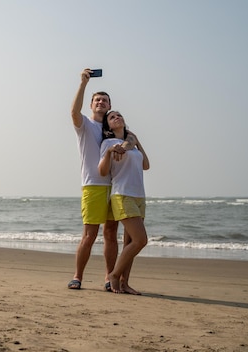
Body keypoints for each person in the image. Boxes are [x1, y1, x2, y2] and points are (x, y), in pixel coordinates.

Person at [68, 68, 131, 290]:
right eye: (97, 100)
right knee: (89, 235)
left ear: (109, 105)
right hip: (93, 186)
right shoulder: (84, 124)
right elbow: (73, 112)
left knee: (111, 233)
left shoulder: (112, 130)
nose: (101, 102)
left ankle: (108, 277)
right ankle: (77, 276)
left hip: (115, 187)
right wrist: (83, 84)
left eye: (104, 100)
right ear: (91, 104)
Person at [99, 111, 150, 294]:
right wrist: (111, 152)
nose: (117, 117)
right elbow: (103, 171)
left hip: (139, 195)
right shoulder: (108, 143)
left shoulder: (133, 144)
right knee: (141, 240)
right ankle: (113, 275)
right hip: (122, 194)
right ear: (109, 126)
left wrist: (136, 141)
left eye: (119, 115)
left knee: (130, 241)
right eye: (112, 117)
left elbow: (146, 165)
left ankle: (124, 283)